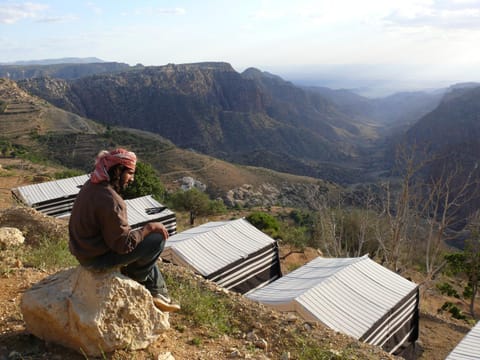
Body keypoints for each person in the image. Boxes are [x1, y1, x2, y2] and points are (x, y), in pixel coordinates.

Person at [68, 148, 180, 312]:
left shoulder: (91, 185)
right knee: (156, 239)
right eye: (130, 173)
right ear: (118, 170)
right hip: (96, 260)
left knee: (142, 240)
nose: (132, 179)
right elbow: (123, 245)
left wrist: (141, 233)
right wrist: (149, 227)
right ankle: (138, 279)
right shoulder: (111, 200)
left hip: (84, 253)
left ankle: (158, 292)